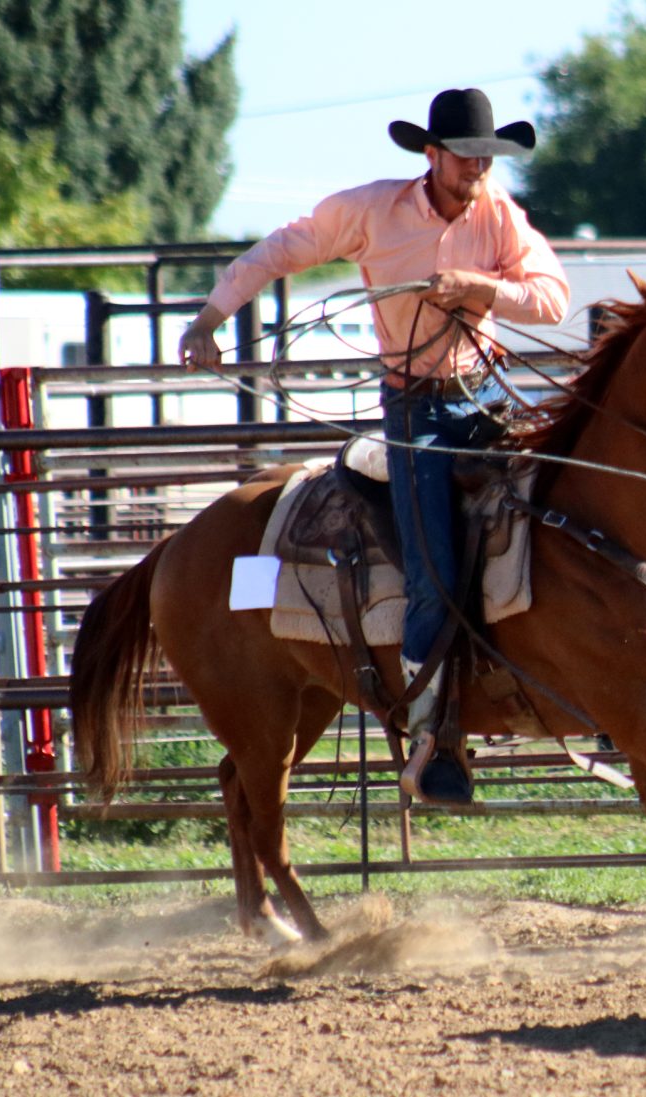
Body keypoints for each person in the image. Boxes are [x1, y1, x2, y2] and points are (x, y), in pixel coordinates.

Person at [180, 88, 570, 805]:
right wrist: (211, 316)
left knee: (561, 514)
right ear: (432, 154)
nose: (475, 172)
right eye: (464, 158)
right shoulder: (372, 211)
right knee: (434, 566)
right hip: (416, 407)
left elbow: (551, 295)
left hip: (485, 397)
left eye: (485, 159)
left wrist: (478, 289)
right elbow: (284, 247)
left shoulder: (499, 217)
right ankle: (430, 735)